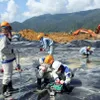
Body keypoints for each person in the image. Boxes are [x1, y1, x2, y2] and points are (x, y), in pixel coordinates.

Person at [0, 21, 17, 97]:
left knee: (9, 74)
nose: (10, 31)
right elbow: (3, 49)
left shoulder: (4, 37)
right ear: (5, 29)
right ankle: (3, 92)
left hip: (8, 59)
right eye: (9, 29)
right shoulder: (3, 37)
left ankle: (10, 88)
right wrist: (11, 51)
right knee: (7, 76)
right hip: (6, 60)